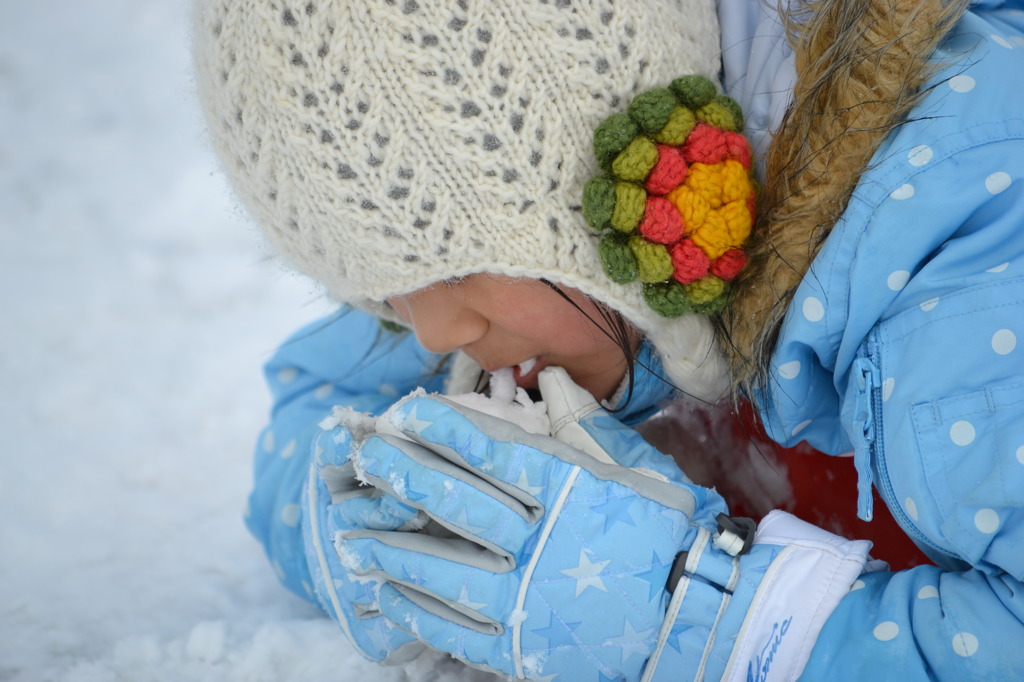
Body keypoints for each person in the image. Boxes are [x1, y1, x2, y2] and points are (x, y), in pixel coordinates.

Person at [192, 0, 1024, 679]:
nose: (435, 329)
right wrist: (379, 525)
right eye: (375, 283)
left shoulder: (953, 235)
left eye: (452, 266)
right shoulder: (531, 284)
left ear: (622, 185)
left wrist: (687, 616)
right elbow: (318, 392)